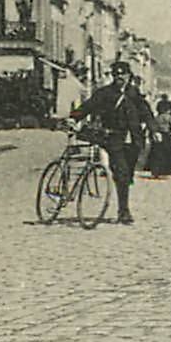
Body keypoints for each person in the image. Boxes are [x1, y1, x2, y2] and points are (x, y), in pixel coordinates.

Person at [70, 60, 147, 224]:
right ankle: (124, 211)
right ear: (113, 76)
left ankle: (123, 197)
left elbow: (146, 113)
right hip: (113, 138)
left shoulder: (134, 93)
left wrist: (155, 131)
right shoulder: (104, 93)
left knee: (127, 174)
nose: (120, 77)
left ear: (129, 75)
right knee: (122, 173)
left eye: (123, 74)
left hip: (133, 140)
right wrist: (74, 117)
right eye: (116, 74)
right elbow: (88, 106)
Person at [146, 97, 171, 178]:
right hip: (167, 137)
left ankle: (156, 171)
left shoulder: (156, 118)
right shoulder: (169, 118)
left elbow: (152, 128)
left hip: (158, 138)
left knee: (157, 155)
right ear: (169, 109)